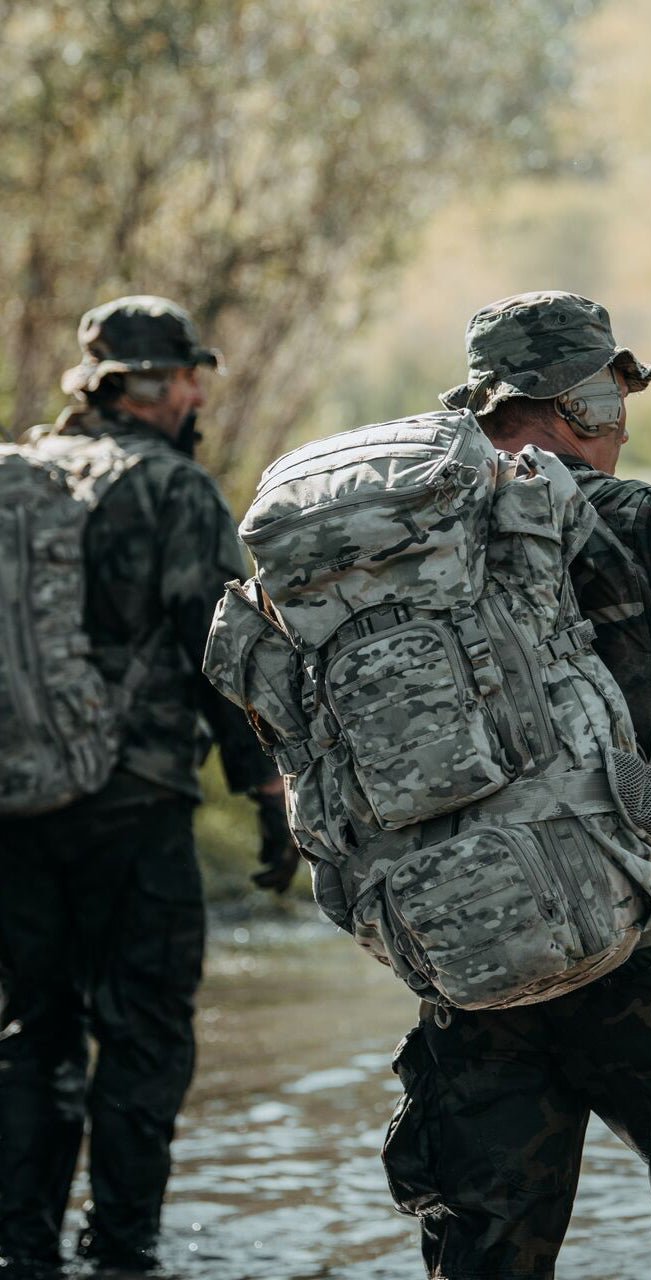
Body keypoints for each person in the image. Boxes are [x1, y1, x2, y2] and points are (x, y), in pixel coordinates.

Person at [378, 290, 651, 1280]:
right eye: (616, 403)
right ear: (586, 403)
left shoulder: (400, 544)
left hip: (473, 949)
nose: (622, 427)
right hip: (641, 943)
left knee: (483, 1250)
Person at [0, 296, 299, 1278]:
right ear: (154, 385)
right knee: (143, 1035)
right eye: (189, 379)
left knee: (31, 1032)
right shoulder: (175, 488)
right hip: (133, 807)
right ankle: (123, 1252)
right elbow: (221, 657)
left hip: (16, 805)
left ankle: (21, 1249)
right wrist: (268, 792)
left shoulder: (22, 472)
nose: (198, 397)